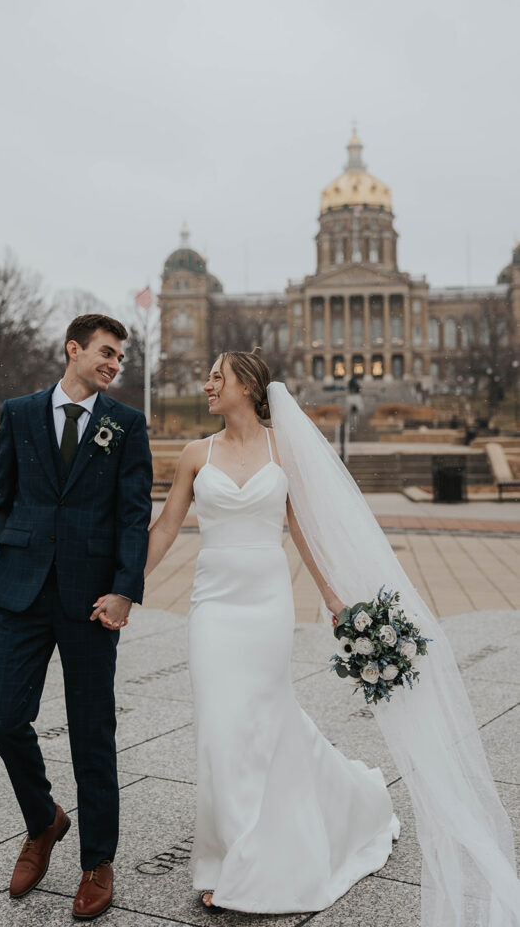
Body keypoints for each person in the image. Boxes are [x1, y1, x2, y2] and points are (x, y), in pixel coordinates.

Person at [144, 350, 399, 913]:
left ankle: (254, 855)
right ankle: (228, 854)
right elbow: (164, 528)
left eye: (218, 376)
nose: (208, 383)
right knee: (218, 725)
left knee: (264, 717)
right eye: (209, 375)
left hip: (266, 604)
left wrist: (332, 595)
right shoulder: (194, 454)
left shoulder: (284, 450)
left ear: (248, 386)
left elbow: (303, 527)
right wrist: (125, 585)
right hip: (213, 604)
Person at [0, 313, 152, 920]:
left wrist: (124, 590)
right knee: (3, 718)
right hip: (22, 594)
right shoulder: (20, 413)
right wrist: (2, 563)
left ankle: (96, 862)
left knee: (90, 732)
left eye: (119, 359)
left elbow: (134, 515)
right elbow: (0, 501)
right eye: (105, 353)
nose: (113, 364)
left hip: (90, 602)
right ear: (73, 349)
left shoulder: (125, 425)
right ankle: (43, 820)